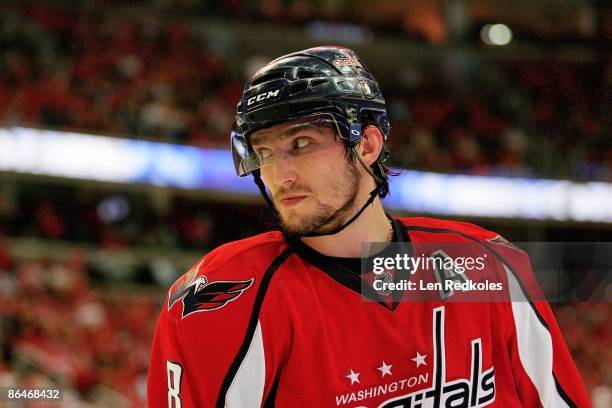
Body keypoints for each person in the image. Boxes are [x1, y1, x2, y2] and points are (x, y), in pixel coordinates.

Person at [147, 46, 590, 407]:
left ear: (369, 143)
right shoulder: (220, 298)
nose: (279, 175)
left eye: (301, 144)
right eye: (264, 152)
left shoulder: (487, 263)